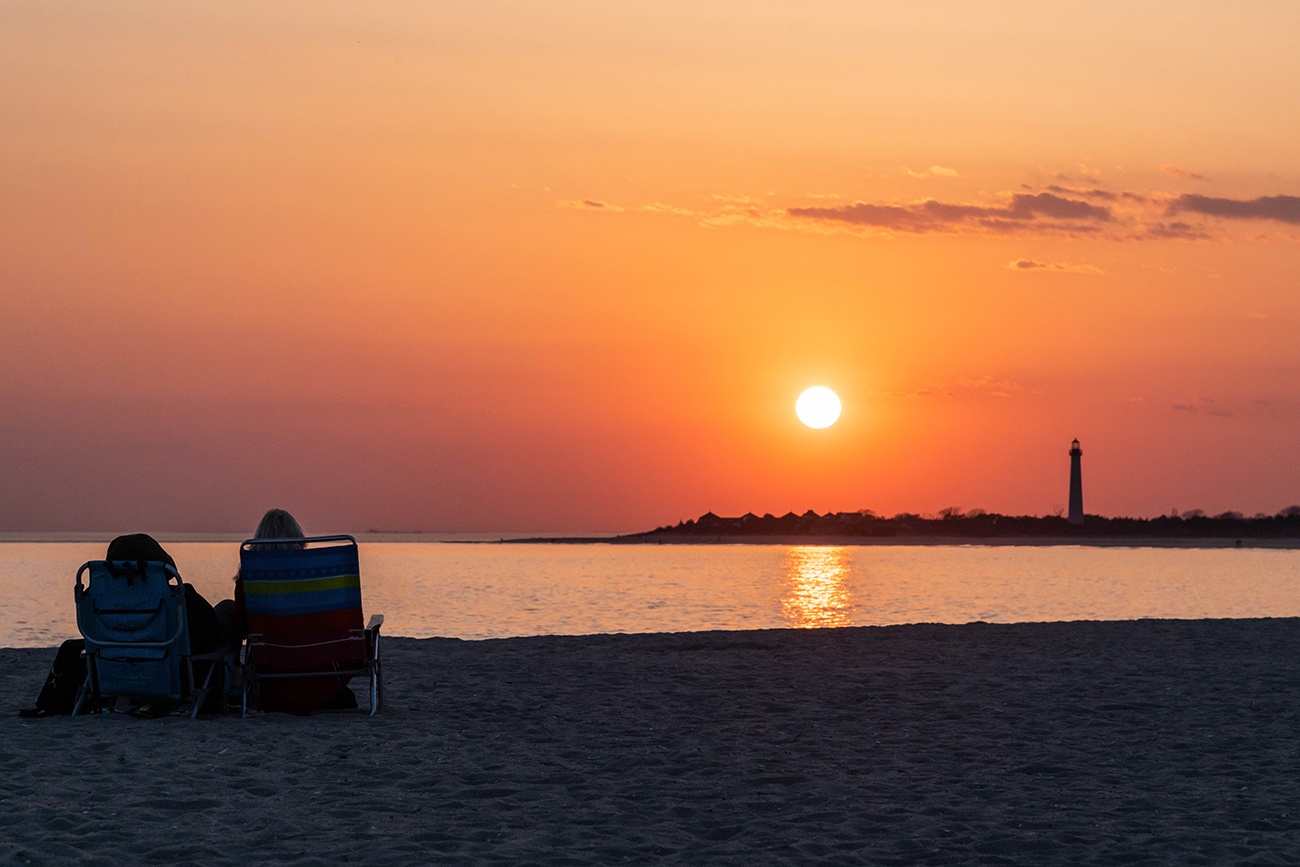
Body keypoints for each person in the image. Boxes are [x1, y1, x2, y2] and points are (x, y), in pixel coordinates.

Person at [223, 508, 357, 713]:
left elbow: (241, 625)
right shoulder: (316, 573)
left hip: (273, 672)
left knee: (225, 609)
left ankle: (230, 680)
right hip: (320, 671)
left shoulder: (251, 576)